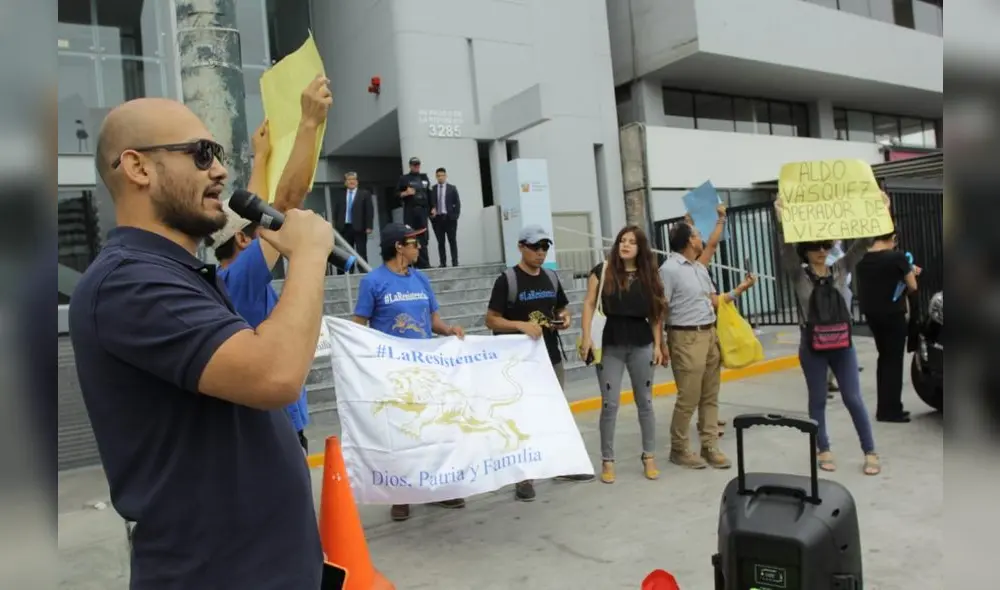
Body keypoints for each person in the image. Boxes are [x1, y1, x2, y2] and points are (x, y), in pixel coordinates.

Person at [69, 97, 331, 587]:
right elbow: (275, 375)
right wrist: (311, 258)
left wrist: (306, 128)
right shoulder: (130, 282)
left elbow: (284, 208)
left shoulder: (178, 273)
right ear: (138, 167)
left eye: (219, 155)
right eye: (201, 153)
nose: (220, 170)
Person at [205, 76, 332, 453]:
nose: (267, 227)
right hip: (276, 431)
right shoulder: (238, 280)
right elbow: (285, 205)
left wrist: (261, 157)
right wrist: (309, 123)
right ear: (245, 240)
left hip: (274, 423)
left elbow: (252, 204)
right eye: (257, 228)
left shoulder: (228, 278)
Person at [352, 222, 466, 521]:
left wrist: (449, 330)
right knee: (400, 435)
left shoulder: (421, 279)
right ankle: (401, 495)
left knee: (432, 430)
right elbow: (358, 327)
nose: (419, 247)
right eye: (414, 243)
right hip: (393, 375)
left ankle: (437, 488)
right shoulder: (373, 282)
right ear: (398, 247)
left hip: (426, 371)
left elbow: (433, 320)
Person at [485, 225, 596, 502]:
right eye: (535, 247)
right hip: (518, 362)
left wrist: (565, 318)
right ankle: (524, 476)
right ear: (521, 247)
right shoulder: (507, 280)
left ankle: (560, 466)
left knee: (554, 414)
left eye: (545, 247)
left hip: (550, 357)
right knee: (523, 418)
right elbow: (491, 320)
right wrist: (520, 325)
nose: (541, 252)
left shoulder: (551, 277)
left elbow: (561, 308)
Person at [774, 195, 883, 476]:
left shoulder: (840, 268)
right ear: (805, 250)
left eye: (826, 245)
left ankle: (870, 450)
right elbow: (785, 248)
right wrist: (783, 219)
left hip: (842, 344)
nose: (822, 251)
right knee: (818, 398)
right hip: (812, 345)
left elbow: (863, 245)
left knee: (853, 398)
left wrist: (879, 211)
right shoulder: (799, 275)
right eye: (815, 246)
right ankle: (823, 448)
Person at [659, 222, 756, 470]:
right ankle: (679, 448)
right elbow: (660, 309)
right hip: (685, 337)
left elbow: (713, 301)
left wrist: (739, 289)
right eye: (697, 235)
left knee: (710, 395)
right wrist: (660, 343)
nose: (700, 239)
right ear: (689, 241)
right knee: (689, 397)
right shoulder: (669, 270)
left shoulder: (699, 269)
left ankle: (710, 445)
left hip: (709, 333)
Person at [578, 225, 667, 484]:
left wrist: (658, 345)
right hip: (610, 343)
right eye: (622, 240)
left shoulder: (650, 275)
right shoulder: (602, 271)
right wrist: (586, 336)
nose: (626, 245)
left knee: (645, 402)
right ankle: (607, 459)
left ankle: (649, 456)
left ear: (640, 248)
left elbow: (656, 314)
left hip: (642, 342)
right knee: (610, 403)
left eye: (632, 242)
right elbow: (589, 303)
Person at [855, 230, 921, 423]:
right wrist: (910, 272)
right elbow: (913, 286)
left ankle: (884, 407)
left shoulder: (863, 260)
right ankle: (891, 410)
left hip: (873, 315)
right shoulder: (897, 257)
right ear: (893, 238)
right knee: (894, 361)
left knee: (884, 358)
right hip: (893, 314)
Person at [332, 170, 374, 271]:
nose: (352, 181)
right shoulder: (340, 194)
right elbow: (336, 211)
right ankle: (348, 273)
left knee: (361, 252)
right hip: (344, 228)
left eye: (354, 179)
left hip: (360, 228)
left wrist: (369, 226)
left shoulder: (364, 194)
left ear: (357, 181)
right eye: (349, 179)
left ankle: (362, 272)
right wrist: (335, 225)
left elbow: (369, 211)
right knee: (346, 253)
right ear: (345, 182)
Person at [396, 157, 431, 268]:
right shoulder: (404, 178)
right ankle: (411, 264)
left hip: (422, 212)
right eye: (414, 165)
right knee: (410, 237)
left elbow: (429, 194)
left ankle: (425, 264)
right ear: (410, 166)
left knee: (423, 238)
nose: (416, 166)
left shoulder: (424, 177)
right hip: (410, 212)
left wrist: (433, 207)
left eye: (417, 164)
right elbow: (396, 194)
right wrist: (405, 193)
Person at [430, 166, 461, 267]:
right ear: (436, 177)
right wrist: (432, 216)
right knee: (441, 242)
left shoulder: (452, 188)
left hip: (449, 218)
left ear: (446, 176)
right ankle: (443, 263)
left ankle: (455, 262)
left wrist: (455, 216)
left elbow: (457, 203)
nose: (440, 177)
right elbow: (430, 204)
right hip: (438, 219)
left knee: (452, 240)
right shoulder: (433, 189)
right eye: (438, 176)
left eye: (442, 175)